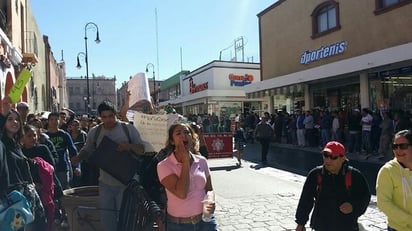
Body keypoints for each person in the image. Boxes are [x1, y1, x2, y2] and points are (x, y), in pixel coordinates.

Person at [72, 100, 146, 231]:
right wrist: (78, 158)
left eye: (111, 116)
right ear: (100, 117)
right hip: (105, 183)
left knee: (127, 218)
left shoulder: (127, 129)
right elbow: (87, 149)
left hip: (127, 183)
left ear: (115, 114)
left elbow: (141, 149)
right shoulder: (95, 131)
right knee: (107, 219)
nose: (108, 120)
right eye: (104, 117)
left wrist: (128, 146)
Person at [295, 141, 371, 231]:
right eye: (325, 155)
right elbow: (306, 199)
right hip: (321, 226)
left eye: (333, 157)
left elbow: (365, 197)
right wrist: (300, 223)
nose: (328, 160)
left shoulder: (355, 176)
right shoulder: (315, 174)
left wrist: (353, 206)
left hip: (346, 226)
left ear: (343, 158)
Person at [157, 123, 217, 231]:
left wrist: (210, 200)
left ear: (192, 138)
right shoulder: (164, 166)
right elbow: (181, 193)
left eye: (187, 132)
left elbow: (209, 189)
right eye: (178, 133)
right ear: (172, 141)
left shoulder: (202, 161)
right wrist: (185, 162)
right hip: (179, 225)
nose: (183, 136)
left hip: (205, 222)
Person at [1, 96, 46, 230]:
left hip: (22, 196)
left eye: (17, 120)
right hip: (8, 197)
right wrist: (3, 113)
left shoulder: (16, 144)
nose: (14, 122)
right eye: (9, 119)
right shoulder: (2, 142)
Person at [376, 130, 412, 231]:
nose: (398, 150)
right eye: (395, 146)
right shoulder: (387, 171)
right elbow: (383, 203)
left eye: (403, 146)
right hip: (398, 228)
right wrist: (409, 220)